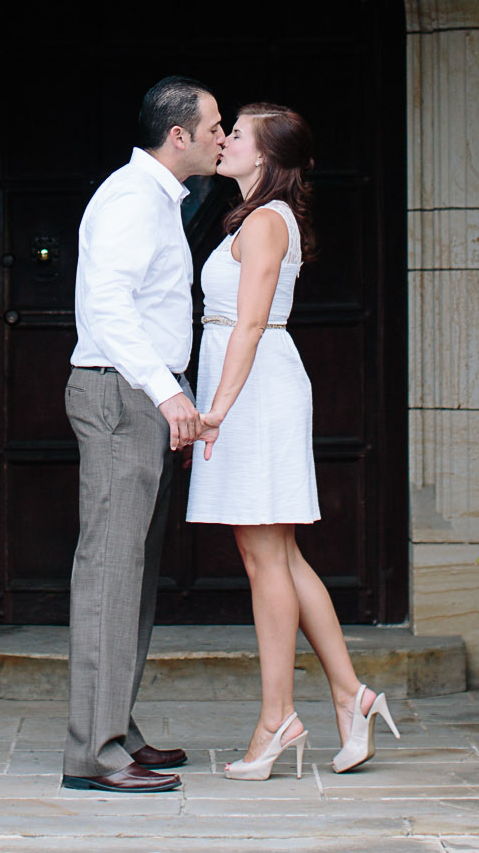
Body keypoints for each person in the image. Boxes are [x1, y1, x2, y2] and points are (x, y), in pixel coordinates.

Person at [188, 103, 398, 780]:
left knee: (264, 558)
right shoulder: (257, 217)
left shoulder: (266, 221)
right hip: (252, 385)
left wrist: (216, 411)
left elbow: (249, 324)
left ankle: (277, 717)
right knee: (277, 553)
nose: (223, 140)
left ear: (265, 155)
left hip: (254, 392)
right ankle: (351, 695)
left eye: (236, 134)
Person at [63, 75, 223, 794]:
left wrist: (171, 395)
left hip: (142, 396)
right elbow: (109, 305)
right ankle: (93, 754)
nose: (223, 138)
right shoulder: (132, 197)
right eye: (215, 127)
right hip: (121, 394)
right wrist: (166, 392)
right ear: (178, 135)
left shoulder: (161, 199)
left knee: (133, 573)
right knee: (110, 571)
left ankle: (116, 730)